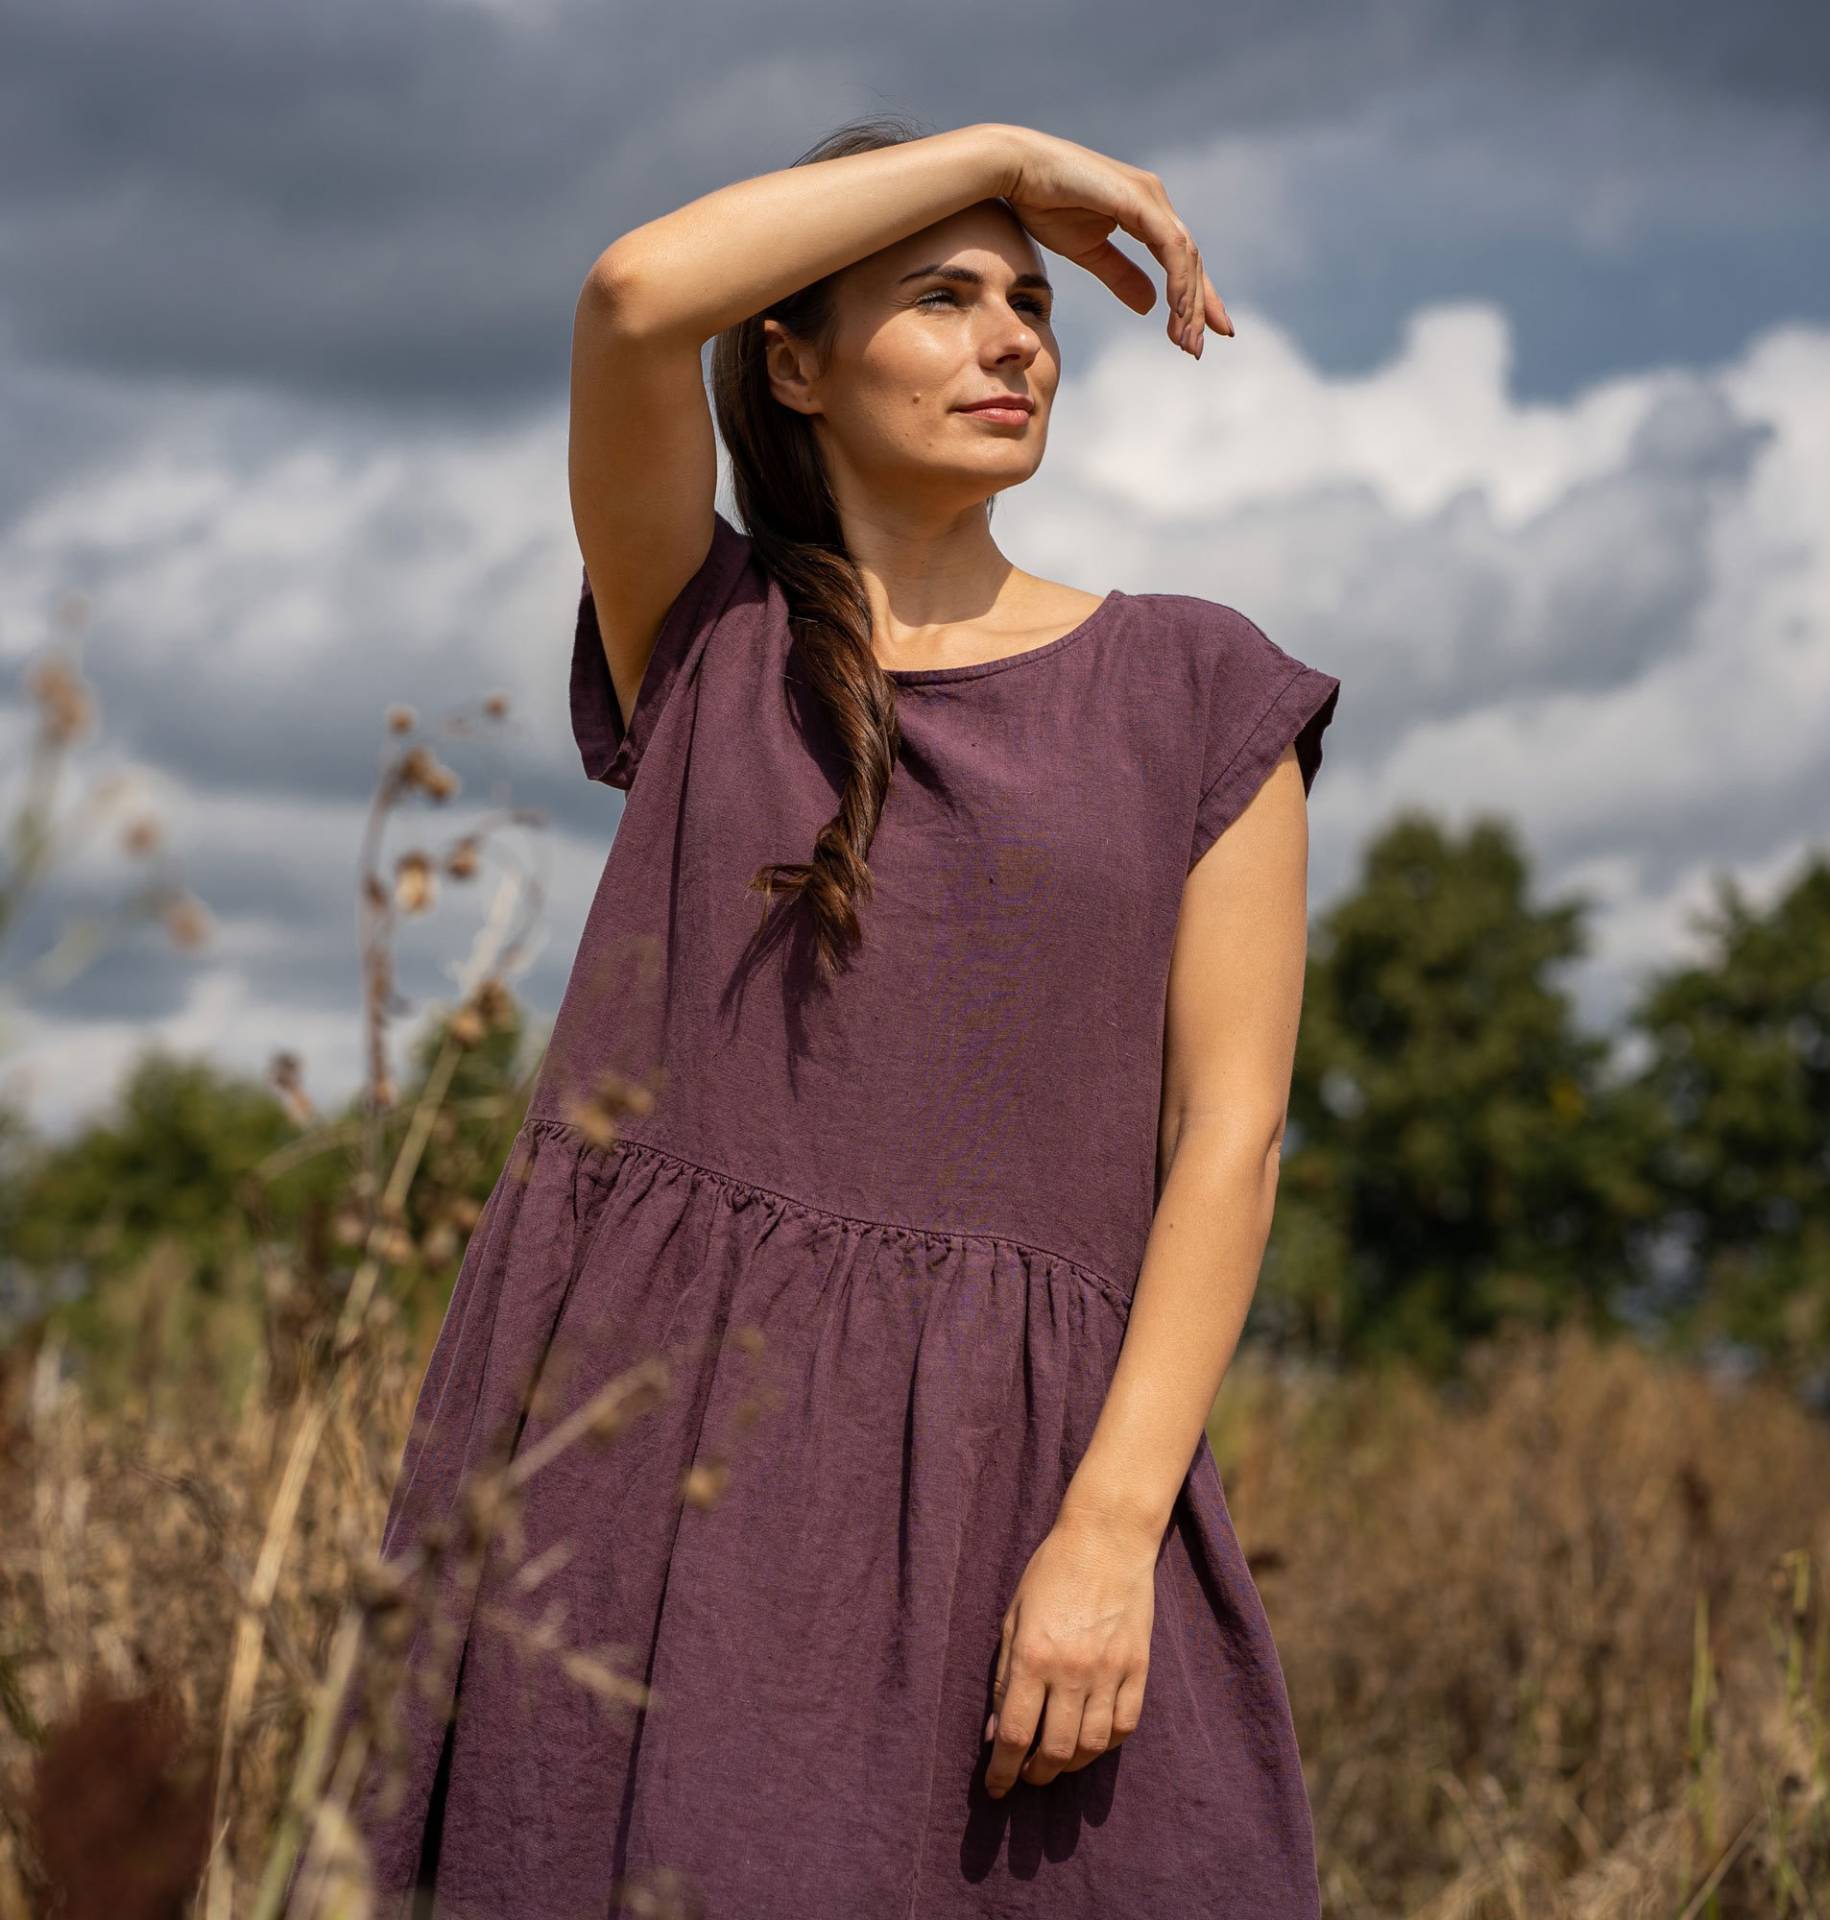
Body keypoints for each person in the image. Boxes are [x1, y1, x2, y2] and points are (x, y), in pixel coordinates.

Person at [351, 113, 1339, 1918]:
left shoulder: (1200, 687)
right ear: (792, 366)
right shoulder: (710, 629)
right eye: (943, 297)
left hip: (1021, 1471)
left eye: (1032, 302)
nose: (1017, 338)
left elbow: (1231, 1137)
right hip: (653, 1457)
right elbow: (639, 296)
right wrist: (1011, 151)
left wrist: (1111, 1532)